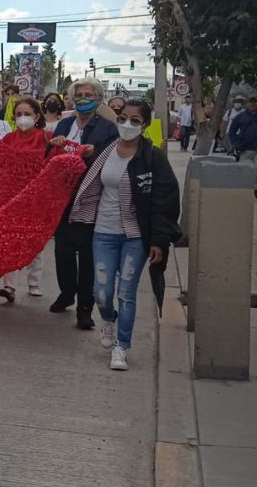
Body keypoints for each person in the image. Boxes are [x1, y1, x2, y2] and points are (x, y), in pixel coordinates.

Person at [68, 99, 180, 370]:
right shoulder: (105, 151)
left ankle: (122, 346)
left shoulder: (152, 158)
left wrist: (159, 240)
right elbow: (86, 181)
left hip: (135, 237)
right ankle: (109, 320)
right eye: (122, 118)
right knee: (102, 293)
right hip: (103, 233)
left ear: (145, 125)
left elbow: (165, 201)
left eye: (134, 120)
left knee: (127, 293)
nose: (127, 124)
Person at [47, 77, 118, 330]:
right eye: (79, 95)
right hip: (63, 197)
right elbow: (51, 157)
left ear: (98, 99)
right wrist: (54, 145)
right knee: (63, 251)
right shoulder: (65, 124)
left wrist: (92, 153)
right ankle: (67, 293)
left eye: (89, 95)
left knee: (88, 255)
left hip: (91, 198)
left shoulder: (107, 128)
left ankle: (84, 309)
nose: (83, 100)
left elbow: (111, 157)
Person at [0, 97, 50, 302]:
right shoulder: (8, 139)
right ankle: (9, 286)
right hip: (11, 198)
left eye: (27, 114)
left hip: (37, 199)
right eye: (19, 114)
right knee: (10, 241)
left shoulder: (46, 138)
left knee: (35, 241)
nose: (22, 118)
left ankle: (34, 283)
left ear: (36, 116)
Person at [228, 95, 257, 165]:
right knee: (243, 170)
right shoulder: (240, 116)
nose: (253, 104)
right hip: (245, 150)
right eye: (250, 102)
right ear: (246, 104)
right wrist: (236, 143)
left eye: (255, 102)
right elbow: (232, 131)